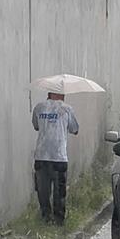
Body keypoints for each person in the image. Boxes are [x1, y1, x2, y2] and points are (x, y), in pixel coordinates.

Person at [31, 91, 79, 225]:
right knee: (59, 191)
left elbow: (36, 126)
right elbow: (75, 129)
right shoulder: (66, 108)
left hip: (41, 155)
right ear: (59, 95)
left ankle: (46, 217)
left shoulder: (39, 107)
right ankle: (58, 220)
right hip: (59, 157)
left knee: (43, 190)